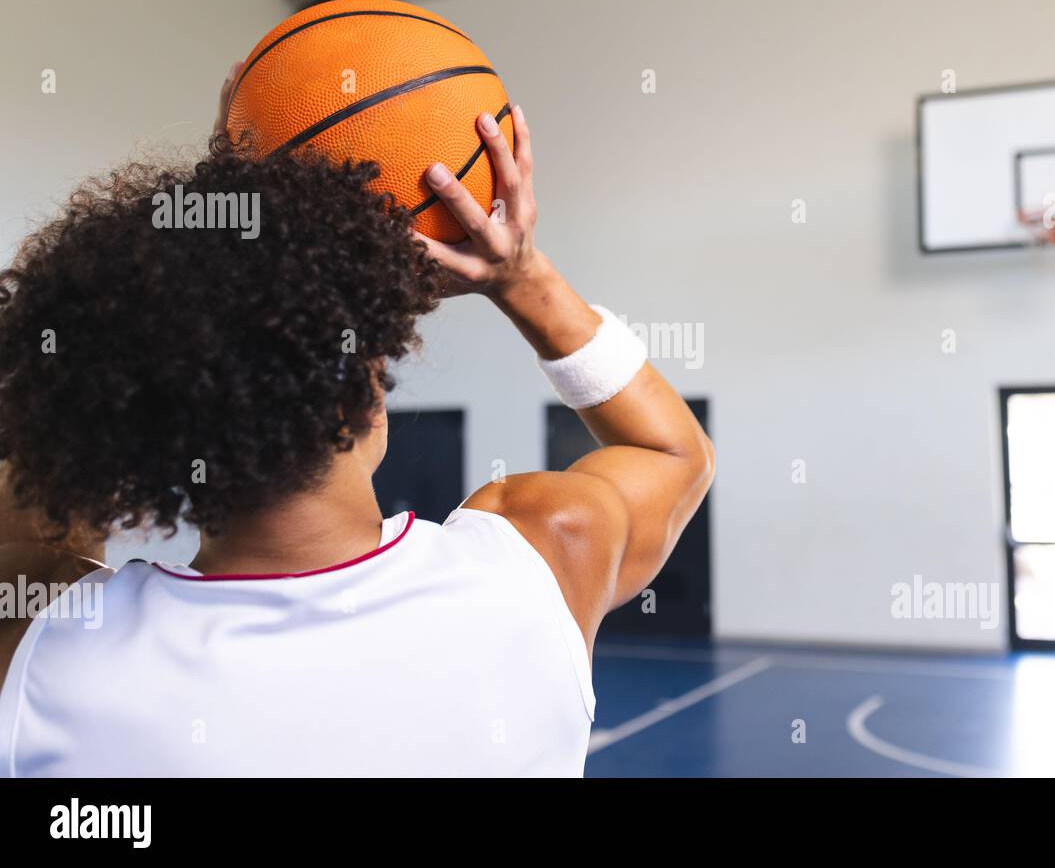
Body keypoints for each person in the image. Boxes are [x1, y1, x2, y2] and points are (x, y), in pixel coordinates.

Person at [0, 78, 714, 776]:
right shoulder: (546, 547)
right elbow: (672, 451)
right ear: (368, 388)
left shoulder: (39, 652)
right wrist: (520, 278)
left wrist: (224, 208)